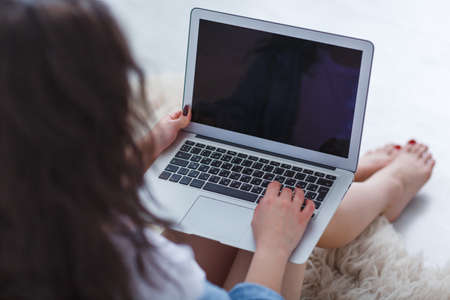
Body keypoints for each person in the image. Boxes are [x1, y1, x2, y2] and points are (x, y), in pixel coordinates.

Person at [0, 1, 435, 300]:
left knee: (250, 199)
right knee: (291, 214)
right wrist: (272, 248)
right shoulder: (137, 271)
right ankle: (386, 187)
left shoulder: (31, 218)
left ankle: (325, 171)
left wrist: (144, 151)